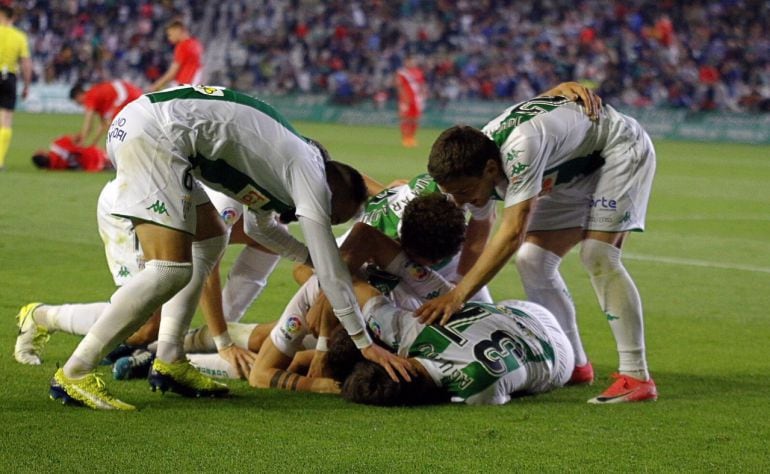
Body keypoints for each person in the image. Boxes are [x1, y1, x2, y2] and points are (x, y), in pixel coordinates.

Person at [49, 85, 409, 411]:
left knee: (211, 237)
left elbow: (259, 226)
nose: (313, 220)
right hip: (156, 136)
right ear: (329, 198)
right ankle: (75, 371)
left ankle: (171, 358)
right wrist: (364, 342)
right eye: (330, 219)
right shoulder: (309, 175)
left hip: (153, 128)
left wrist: (305, 258)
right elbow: (332, 269)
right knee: (170, 270)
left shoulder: (281, 164)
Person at [416, 84, 658, 404]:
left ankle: (636, 376)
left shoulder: (520, 149)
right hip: (574, 169)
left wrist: (458, 296)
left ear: (490, 169)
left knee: (598, 254)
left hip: (620, 148)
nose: (461, 201)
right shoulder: (473, 159)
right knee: (532, 260)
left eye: (465, 192)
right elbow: (479, 235)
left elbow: (513, 231)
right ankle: (574, 364)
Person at [328, 288, 574, 406]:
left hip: (557, 357)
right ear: (394, 360)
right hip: (525, 312)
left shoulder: (476, 392)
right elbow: (358, 284)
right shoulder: (411, 331)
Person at [0, 5, 32, 171]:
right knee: (5, 120)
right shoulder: (19, 36)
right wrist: (26, 85)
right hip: (8, 78)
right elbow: (26, 63)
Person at [69, 80, 143, 147]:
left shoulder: (89, 97)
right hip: (128, 91)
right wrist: (93, 144)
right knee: (115, 125)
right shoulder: (98, 98)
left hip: (126, 94)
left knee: (116, 125)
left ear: (79, 95)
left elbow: (89, 124)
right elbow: (103, 125)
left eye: (76, 101)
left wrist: (82, 140)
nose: (77, 104)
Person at [149, 20, 204, 91]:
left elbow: (172, 73)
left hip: (181, 87)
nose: (169, 38)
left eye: (170, 35)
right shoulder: (197, 44)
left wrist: (156, 85)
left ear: (178, 31)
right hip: (193, 87)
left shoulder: (182, 46)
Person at [31, 134, 112, 171]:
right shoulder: (56, 145)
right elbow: (78, 137)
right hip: (95, 154)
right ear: (42, 154)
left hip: (91, 167)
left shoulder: (54, 168)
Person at [395, 56, 427, 148]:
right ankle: (405, 138)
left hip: (417, 99)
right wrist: (403, 98)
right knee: (405, 118)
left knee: (415, 119)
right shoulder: (402, 72)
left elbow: (422, 84)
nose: (411, 63)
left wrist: (423, 93)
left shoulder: (418, 72)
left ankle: (412, 138)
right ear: (406, 62)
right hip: (406, 99)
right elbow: (399, 86)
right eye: (409, 61)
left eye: (413, 61)